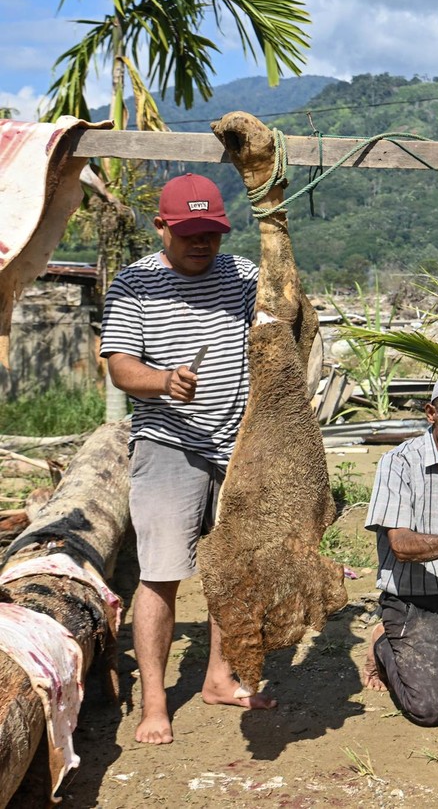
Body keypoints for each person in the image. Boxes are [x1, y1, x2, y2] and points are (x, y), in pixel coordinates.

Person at [100, 173, 276, 745]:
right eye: (189, 233)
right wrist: (161, 380)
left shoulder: (244, 276)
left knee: (233, 565)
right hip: (166, 440)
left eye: (211, 233)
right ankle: (155, 702)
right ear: (162, 227)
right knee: (161, 572)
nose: (201, 244)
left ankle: (219, 679)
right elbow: (119, 366)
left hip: (239, 441)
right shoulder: (134, 284)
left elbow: (278, 325)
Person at [362, 365, 438, 726]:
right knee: (434, 710)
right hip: (413, 600)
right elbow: (401, 545)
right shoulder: (399, 463)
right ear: (432, 414)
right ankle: (383, 643)